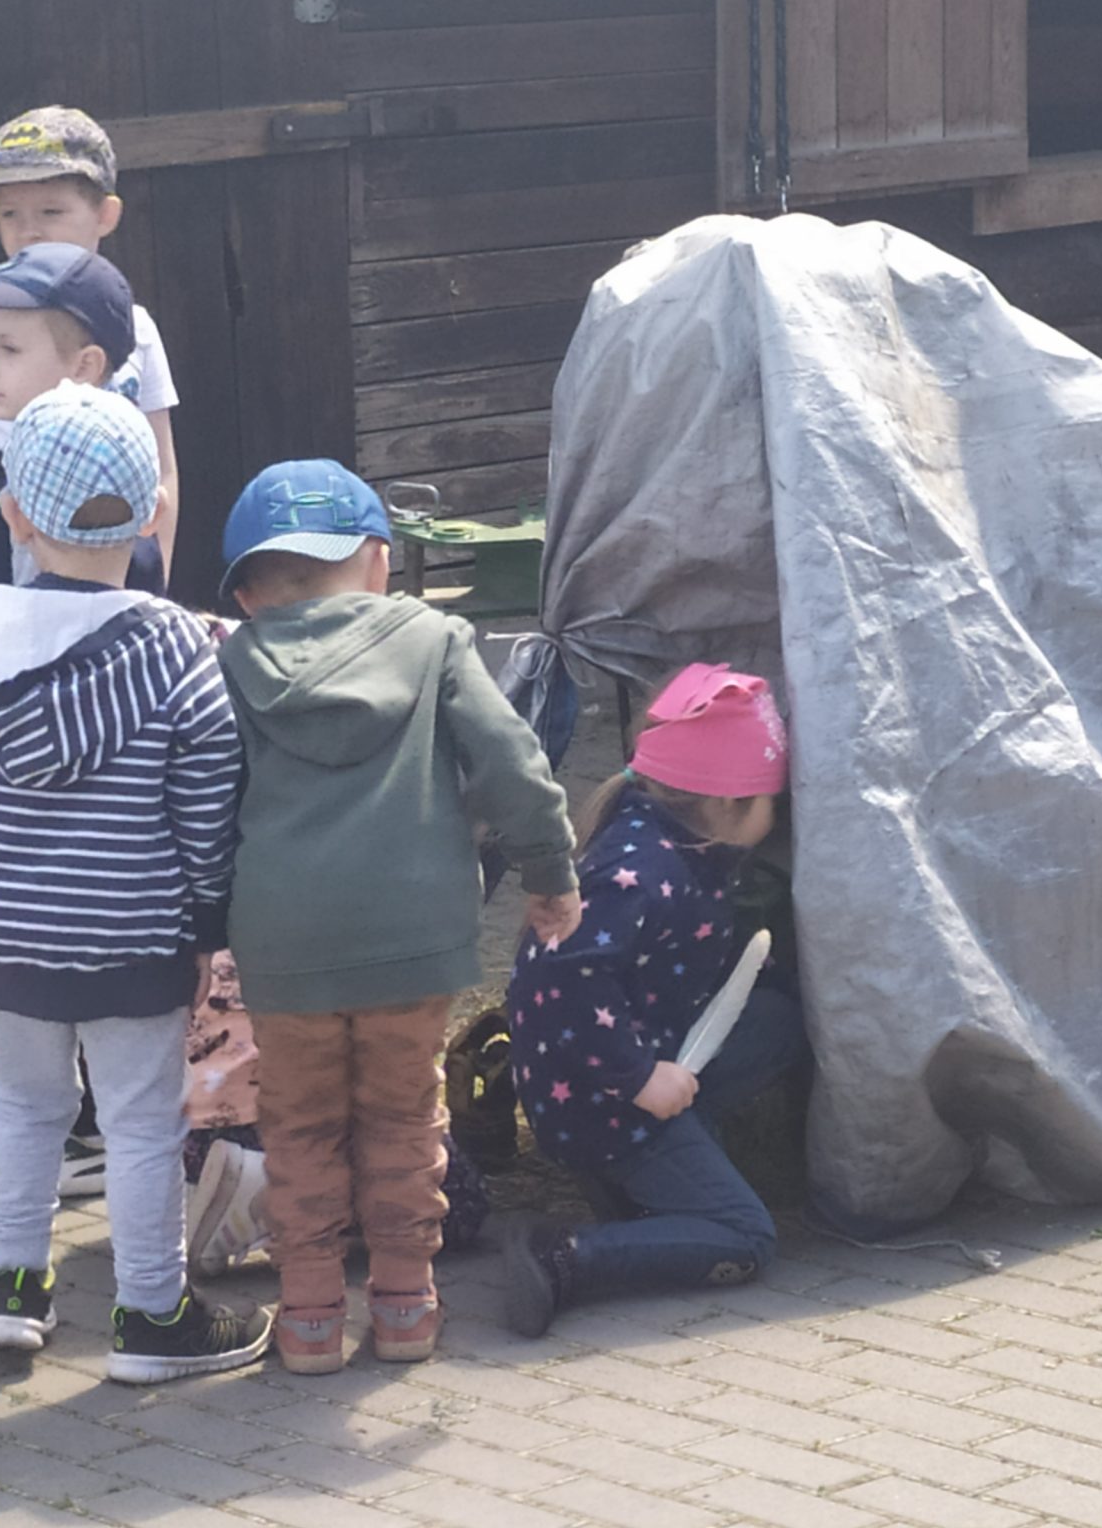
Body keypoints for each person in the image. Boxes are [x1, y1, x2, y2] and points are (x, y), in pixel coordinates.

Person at [0, 383, 270, 1382]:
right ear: (152, 511)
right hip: (131, 932)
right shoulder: (176, 646)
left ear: (13, 514)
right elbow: (205, 801)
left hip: (0, 934)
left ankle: (11, 1289)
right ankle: (151, 1317)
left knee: (22, 1103)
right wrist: (207, 920)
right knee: (140, 1124)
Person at [216, 460, 583, 1372]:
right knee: (404, 1117)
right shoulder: (435, 640)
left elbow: (208, 804)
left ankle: (309, 1317)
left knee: (299, 1128)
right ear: (379, 561)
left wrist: (205, 920)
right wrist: (549, 873)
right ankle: (406, 1304)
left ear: (249, 592)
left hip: (285, 945)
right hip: (415, 939)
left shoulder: (232, 663)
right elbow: (512, 764)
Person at [501, 664, 805, 1338]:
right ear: (727, 803)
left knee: (779, 1022)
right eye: (770, 801)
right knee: (745, 1234)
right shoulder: (642, 875)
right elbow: (564, 983)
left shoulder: (674, 844)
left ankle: (658, 1186)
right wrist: (638, 1079)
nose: (776, 817)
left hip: (641, 1056)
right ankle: (563, 1255)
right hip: (604, 1102)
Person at [0, 106, 181, 611]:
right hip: (15, 583)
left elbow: (162, 465)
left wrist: (158, 574)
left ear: (106, 215)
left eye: (51, 212)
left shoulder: (139, 328)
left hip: (121, 581)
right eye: (9, 214)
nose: (28, 232)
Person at [0, 242, 153, 613]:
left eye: (9, 349)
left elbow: (55, 622)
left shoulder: (71, 482)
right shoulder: (21, 457)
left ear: (84, 367)